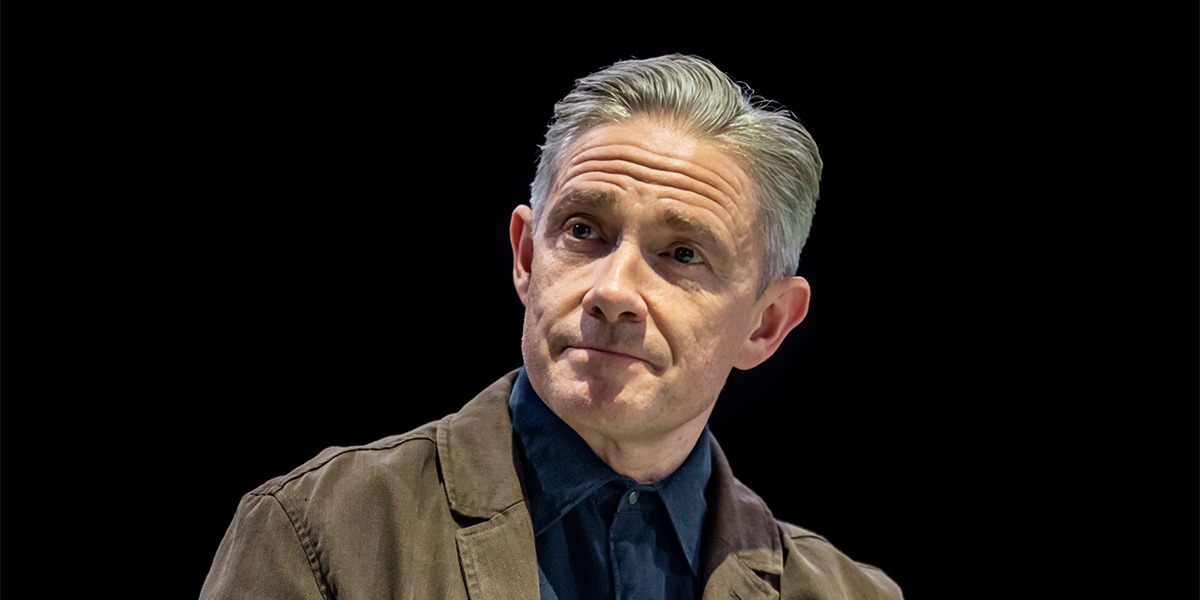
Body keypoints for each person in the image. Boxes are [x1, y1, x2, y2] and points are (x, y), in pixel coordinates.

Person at [199, 53, 903, 599]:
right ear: (528, 257)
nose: (614, 289)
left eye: (682, 253)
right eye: (585, 231)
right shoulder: (319, 529)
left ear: (766, 323)